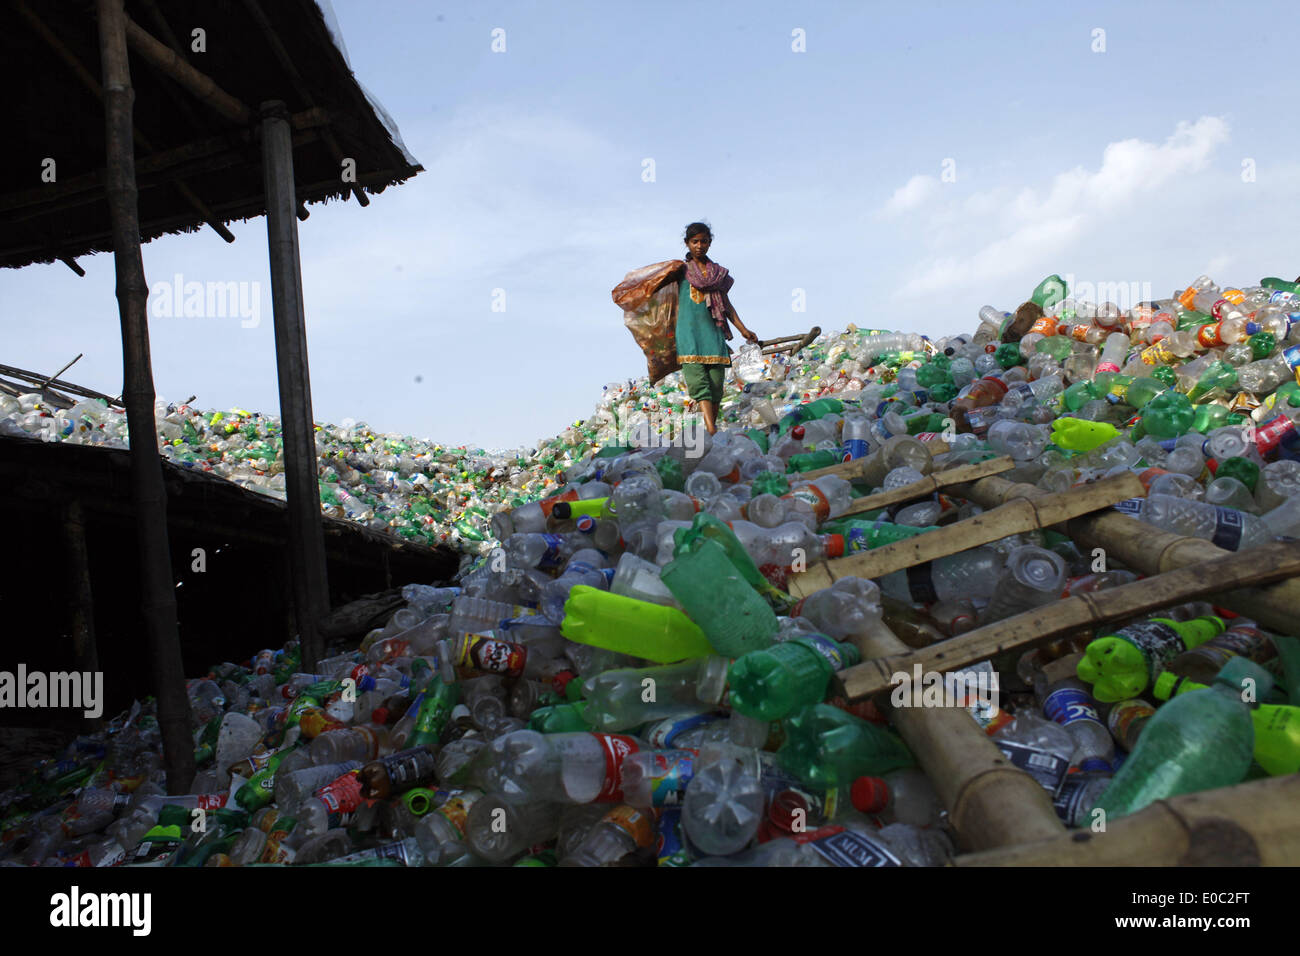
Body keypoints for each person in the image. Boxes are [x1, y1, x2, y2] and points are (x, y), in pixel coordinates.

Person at [675, 222, 758, 434]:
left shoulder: (717, 274)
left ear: (710, 243)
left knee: (715, 384)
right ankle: (711, 429)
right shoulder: (680, 271)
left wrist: (743, 329)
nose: (699, 246)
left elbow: (726, 305)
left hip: (713, 333)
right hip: (689, 333)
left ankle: (713, 427)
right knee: (698, 382)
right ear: (687, 243)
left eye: (704, 241)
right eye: (695, 242)